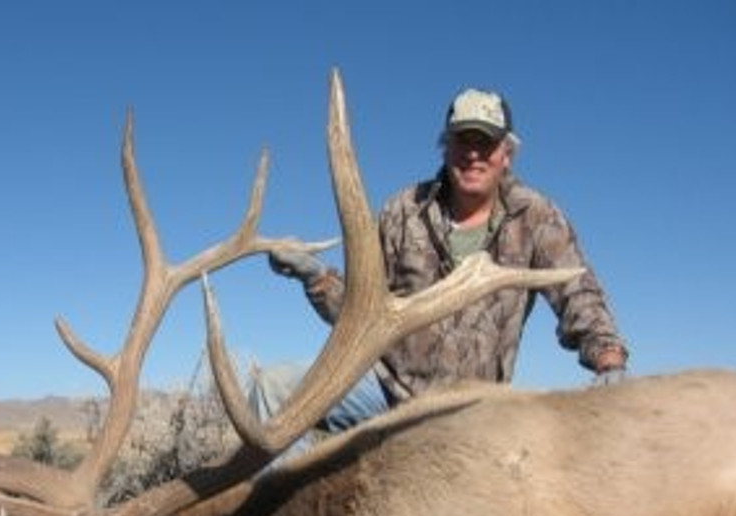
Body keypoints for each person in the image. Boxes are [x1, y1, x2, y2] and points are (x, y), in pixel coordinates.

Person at [253, 87, 628, 433]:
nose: (473, 153)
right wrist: (315, 277)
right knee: (273, 390)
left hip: (473, 409)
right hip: (388, 393)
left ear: (506, 155)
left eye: (486, 142)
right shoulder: (402, 210)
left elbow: (579, 293)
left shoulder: (536, 216)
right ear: (445, 147)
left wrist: (609, 358)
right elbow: (359, 311)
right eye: (462, 140)